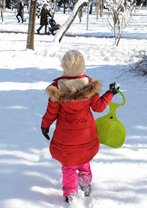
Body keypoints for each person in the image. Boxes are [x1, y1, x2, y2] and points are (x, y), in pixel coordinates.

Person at [40, 50, 119, 204]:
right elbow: (99, 107)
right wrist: (110, 93)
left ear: (63, 66)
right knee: (84, 159)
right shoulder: (89, 86)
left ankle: (70, 193)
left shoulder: (57, 89)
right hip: (86, 136)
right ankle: (85, 184)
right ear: (82, 67)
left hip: (66, 138)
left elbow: (51, 113)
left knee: (69, 165)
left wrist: (45, 126)